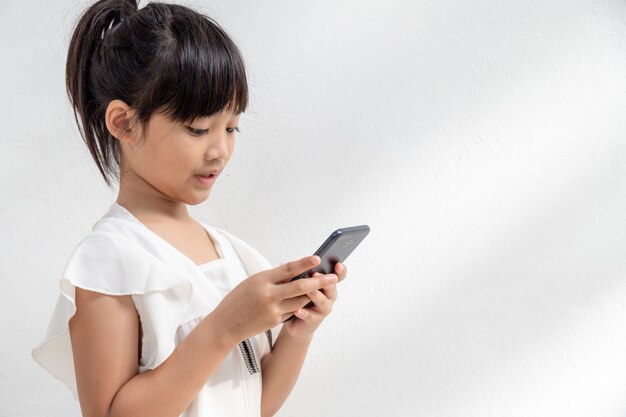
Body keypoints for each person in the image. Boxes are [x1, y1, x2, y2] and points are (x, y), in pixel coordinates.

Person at [31, 1, 347, 416]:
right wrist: (223, 327)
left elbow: (255, 405)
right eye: (198, 129)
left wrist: (298, 332)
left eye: (231, 127)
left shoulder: (229, 252)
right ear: (123, 123)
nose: (220, 150)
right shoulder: (108, 258)